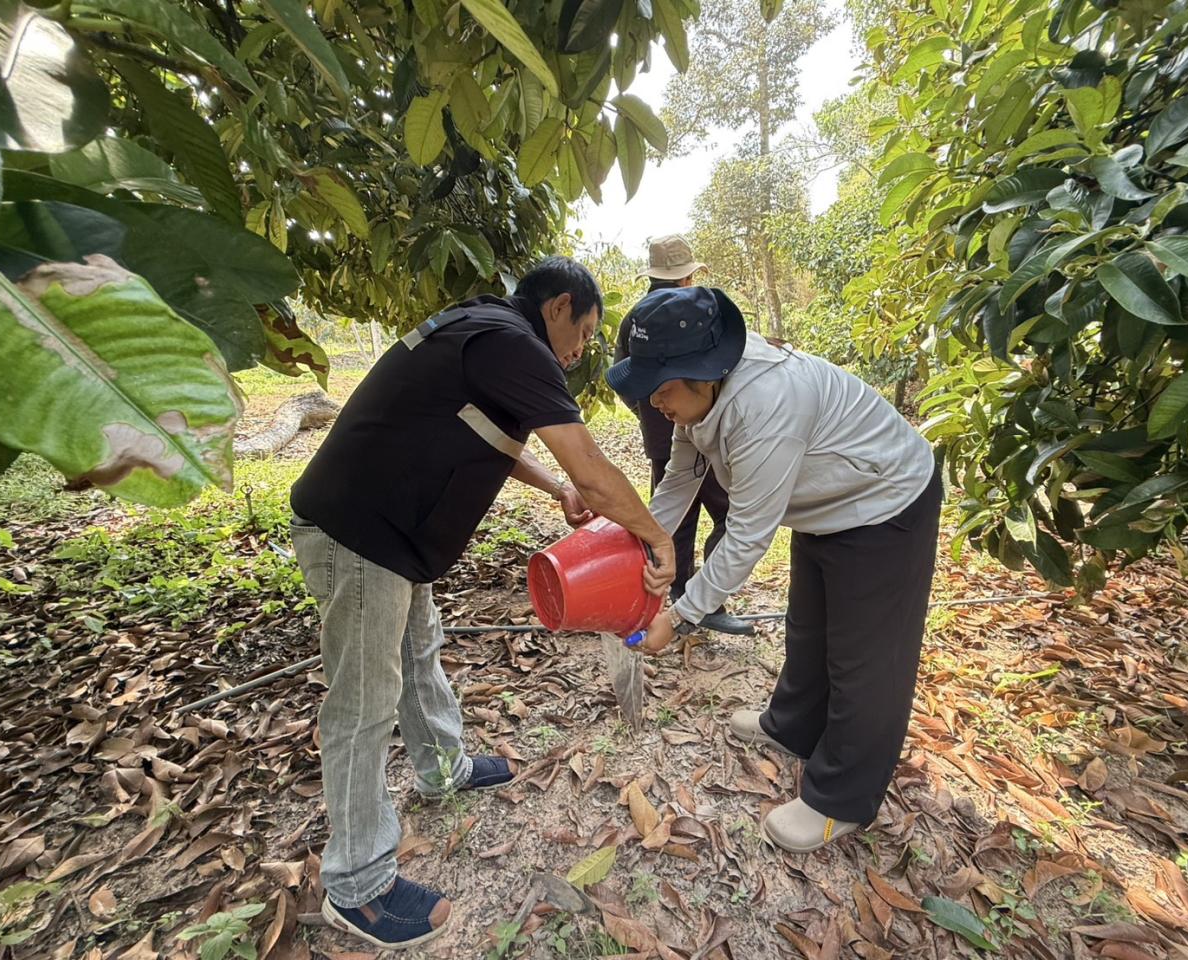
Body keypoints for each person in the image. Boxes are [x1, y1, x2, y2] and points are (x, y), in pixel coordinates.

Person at [288, 257, 675, 949]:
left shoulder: (481, 326)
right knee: (363, 702)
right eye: (584, 331)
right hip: (360, 534)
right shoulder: (514, 345)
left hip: (392, 531)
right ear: (559, 306)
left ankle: (441, 768)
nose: (581, 350)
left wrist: (552, 486)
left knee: (419, 652)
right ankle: (358, 887)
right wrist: (653, 539)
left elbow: (485, 432)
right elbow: (594, 467)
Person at [606, 286, 940, 854]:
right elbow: (681, 477)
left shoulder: (767, 404)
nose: (654, 403)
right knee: (809, 627)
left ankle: (842, 799)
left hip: (885, 503)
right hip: (827, 506)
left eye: (661, 389)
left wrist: (683, 614)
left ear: (703, 373)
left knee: (866, 658)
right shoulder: (700, 398)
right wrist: (648, 541)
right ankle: (793, 725)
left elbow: (747, 535)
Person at [614, 235, 752, 636]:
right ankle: (685, 598)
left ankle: (694, 596)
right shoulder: (661, 319)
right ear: (686, 277)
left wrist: (647, 410)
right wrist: (661, 407)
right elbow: (627, 377)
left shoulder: (645, 318)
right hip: (682, 433)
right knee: (704, 510)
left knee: (692, 515)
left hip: (694, 430)